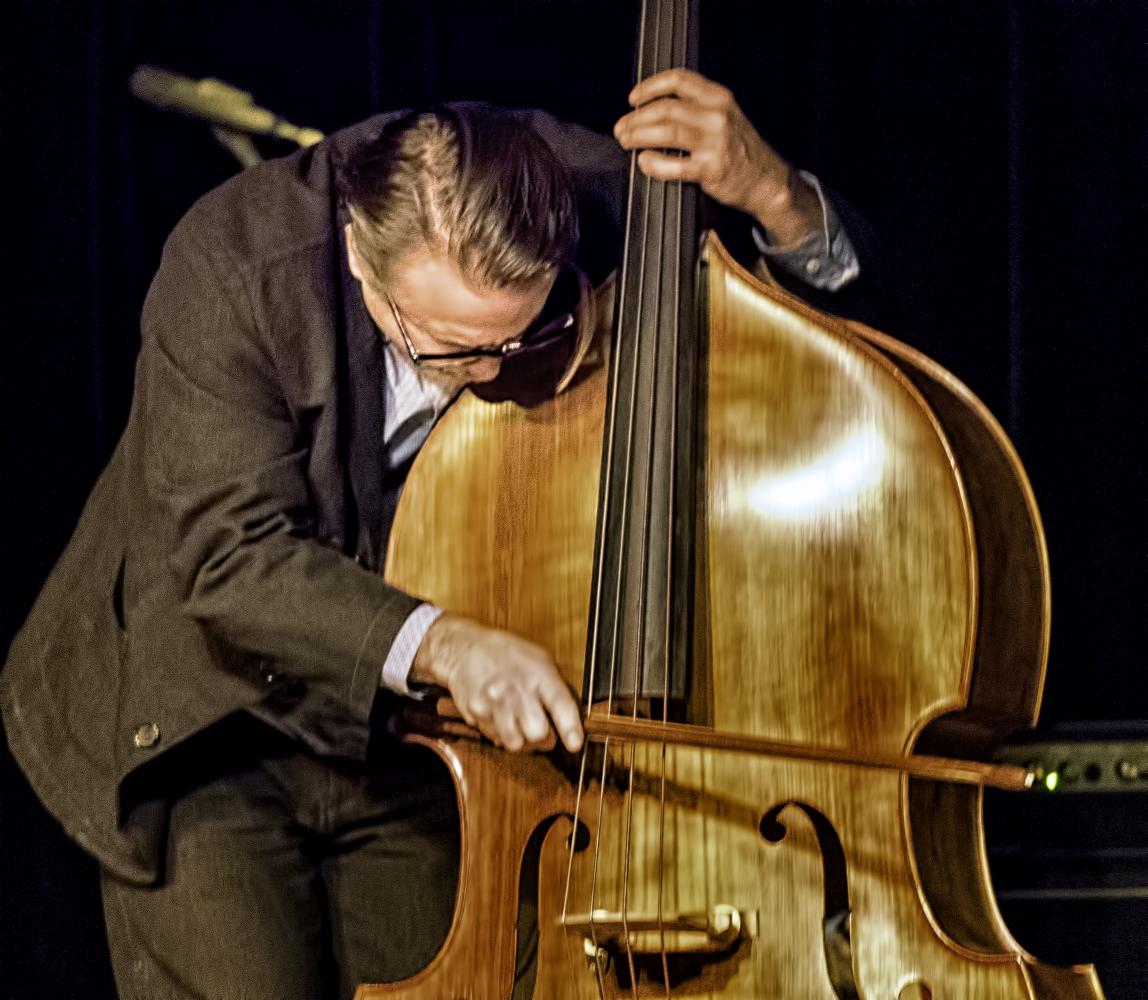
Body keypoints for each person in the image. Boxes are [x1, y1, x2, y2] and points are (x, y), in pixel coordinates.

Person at [1, 69, 863, 999]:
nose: (487, 374)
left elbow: (818, 352)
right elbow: (233, 557)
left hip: (417, 745)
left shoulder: (584, 191)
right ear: (359, 260)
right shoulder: (233, 266)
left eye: (519, 339)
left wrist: (777, 196)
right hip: (214, 723)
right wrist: (448, 644)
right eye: (450, 349)